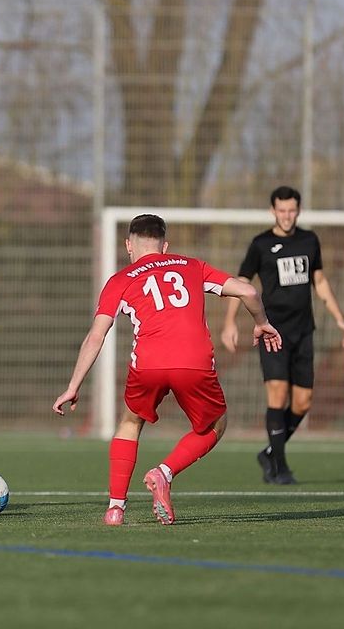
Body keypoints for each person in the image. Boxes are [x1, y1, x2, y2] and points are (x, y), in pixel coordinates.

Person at [53, 214, 281, 526]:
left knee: (130, 422)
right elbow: (249, 292)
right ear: (165, 245)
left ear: (128, 245)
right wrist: (261, 322)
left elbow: (96, 335)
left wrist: (73, 385)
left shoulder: (120, 280)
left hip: (148, 363)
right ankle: (164, 472)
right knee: (215, 424)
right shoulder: (192, 266)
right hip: (194, 361)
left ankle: (115, 509)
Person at [220, 186, 344, 485]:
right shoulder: (261, 244)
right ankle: (279, 467)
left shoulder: (309, 240)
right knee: (278, 395)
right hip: (272, 330)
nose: (287, 216)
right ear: (273, 211)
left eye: (292, 210)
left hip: (304, 331)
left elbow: (319, 281)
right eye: (282, 210)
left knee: (303, 403)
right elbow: (241, 282)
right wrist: (230, 322)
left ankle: (269, 452)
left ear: (299, 210)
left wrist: (340, 319)